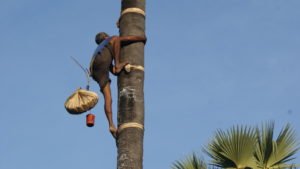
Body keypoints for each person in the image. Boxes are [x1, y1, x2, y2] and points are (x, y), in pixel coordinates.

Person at [89, 32, 146, 138]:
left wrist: (119, 67)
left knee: (108, 98)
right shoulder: (110, 40)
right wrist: (141, 38)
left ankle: (111, 125)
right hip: (100, 65)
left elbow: (114, 72)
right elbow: (125, 38)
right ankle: (118, 63)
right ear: (105, 37)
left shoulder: (102, 51)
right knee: (116, 38)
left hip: (95, 71)